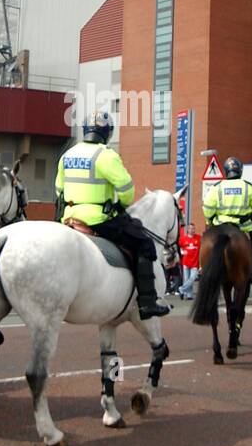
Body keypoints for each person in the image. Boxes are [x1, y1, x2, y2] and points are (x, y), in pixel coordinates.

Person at [57, 111, 168, 318]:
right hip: (98, 220)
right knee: (145, 243)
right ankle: (147, 302)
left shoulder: (67, 155)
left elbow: (59, 190)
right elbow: (127, 190)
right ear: (107, 133)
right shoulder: (106, 155)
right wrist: (119, 205)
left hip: (69, 218)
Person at [202, 157, 252, 285]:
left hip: (220, 225)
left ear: (226, 171)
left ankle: (203, 268)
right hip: (243, 226)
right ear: (240, 171)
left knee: (205, 241)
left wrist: (209, 220)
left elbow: (207, 208)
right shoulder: (247, 186)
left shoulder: (217, 187)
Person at [178, 222, 201, 300]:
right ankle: (189, 295)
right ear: (188, 230)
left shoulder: (199, 238)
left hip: (195, 263)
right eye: (190, 228)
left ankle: (181, 289)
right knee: (187, 279)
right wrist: (181, 252)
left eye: (193, 229)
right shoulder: (183, 239)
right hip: (186, 262)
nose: (192, 230)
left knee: (192, 278)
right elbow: (179, 247)